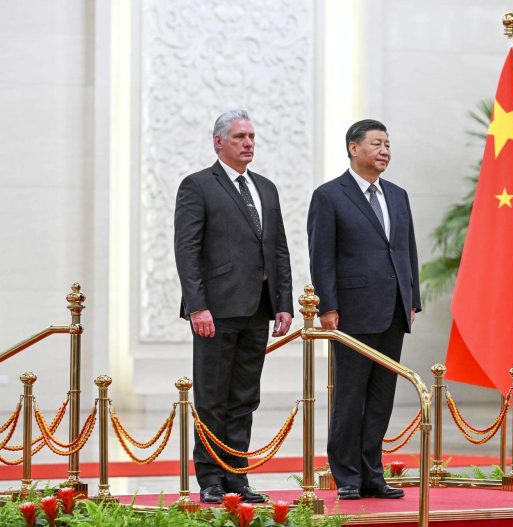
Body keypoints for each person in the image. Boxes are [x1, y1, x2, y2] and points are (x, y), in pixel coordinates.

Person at [174, 110, 293, 504]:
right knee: (212, 396)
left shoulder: (266, 188)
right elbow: (187, 250)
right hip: (216, 311)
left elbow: (277, 249)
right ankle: (209, 478)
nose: (248, 143)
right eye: (240, 136)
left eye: (252, 136)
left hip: (258, 309)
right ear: (218, 141)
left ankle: (236, 475)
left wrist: (284, 303)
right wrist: (197, 306)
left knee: (244, 397)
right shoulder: (197, 186)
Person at [307, 119, 421, 500]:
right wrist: (328, 306)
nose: (385, 150)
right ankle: (348, 476)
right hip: (351, 312)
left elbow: (406, 251)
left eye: (388, 143)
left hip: (393, 310)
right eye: (377, 143)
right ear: (354, 148)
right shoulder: (330, 195)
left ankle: (373, 473)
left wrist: (413, 298)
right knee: (350, 396)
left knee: (380, 397)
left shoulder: (398, 194)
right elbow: (321, 256)